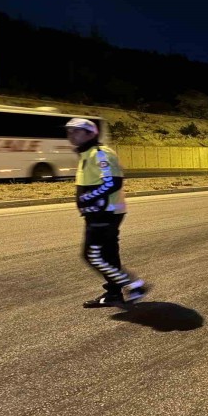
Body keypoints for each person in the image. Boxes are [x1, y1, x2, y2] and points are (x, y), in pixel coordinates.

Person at [66, 118, 148, 307]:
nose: (71, 135)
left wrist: (88, 199)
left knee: (93, 255)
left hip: (105, 213)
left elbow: (113, 182)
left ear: (90, 133)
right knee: (108, 254)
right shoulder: (86, 154)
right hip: (98, 212)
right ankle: (113, 294)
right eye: (69, 131)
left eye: (76, 131)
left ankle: (134, 284)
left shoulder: (100, 153)